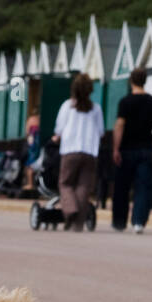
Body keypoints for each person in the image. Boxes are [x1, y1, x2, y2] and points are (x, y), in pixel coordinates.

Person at [112, 67, 152, 233]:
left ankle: (119, 221)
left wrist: (116, 148)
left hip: (127, 149)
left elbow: (120, 125)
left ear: (131, 81)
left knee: (122, 186)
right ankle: (138, 221)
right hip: (145, 148)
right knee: (143, 187)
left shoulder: (125, 102)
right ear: (145, 81)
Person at [52, 74, 104, 232]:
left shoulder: (67, 106)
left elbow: (59, 129)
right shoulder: (96, 109)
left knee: (65, 183)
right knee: (83, 186)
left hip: (70, 150)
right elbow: (101, 131)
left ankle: (70, 209)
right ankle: (78, 223)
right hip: (90, 151)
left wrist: (56, 138)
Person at [23, 112, 40, 192]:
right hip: (38, 144)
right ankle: (32, 184)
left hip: (33, 143)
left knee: (30, 164)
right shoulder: (40, 119)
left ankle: (30, 184)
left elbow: (27, 132)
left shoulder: (31, 119)